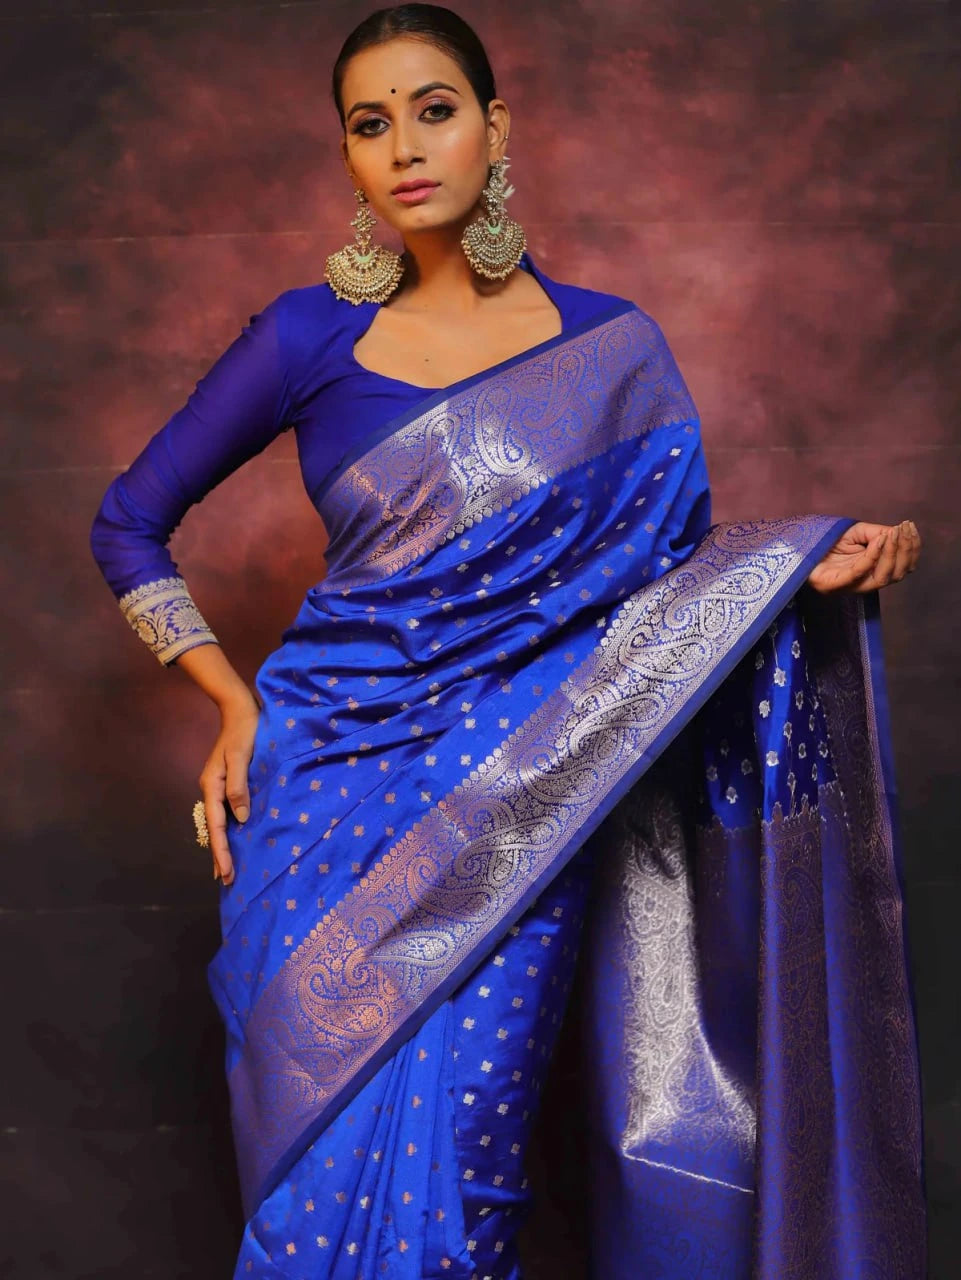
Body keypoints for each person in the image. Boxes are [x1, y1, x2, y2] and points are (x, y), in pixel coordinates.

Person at [89, 5, 926, 1277]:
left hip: (522, 807)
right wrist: (229, 702)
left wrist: (804, 563)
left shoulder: (612, 347)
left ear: (496, 128)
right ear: (350, 159)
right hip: (318, 797)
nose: (406, 146)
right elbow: (129, 524)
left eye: (434, 109)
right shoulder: (305, 337)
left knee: (474, 1170)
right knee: (307, 1183)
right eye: (370, 125)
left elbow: (665, 605)